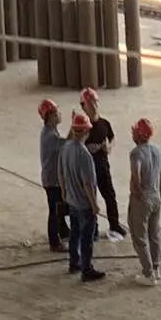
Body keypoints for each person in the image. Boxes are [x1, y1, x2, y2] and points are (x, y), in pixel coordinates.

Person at [58, 112, 105, 282]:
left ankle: (74, 263)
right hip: (84, 204)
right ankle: (87, 269)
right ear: (86, 131)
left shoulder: (65, 148)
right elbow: (87, 184)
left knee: (75, 234)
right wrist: (94, 204)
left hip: (71, 200)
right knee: (86, 238)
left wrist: (64, 192)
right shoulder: (85, 155)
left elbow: (61, 174)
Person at [79, 87, 125, 237]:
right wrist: (86, 149)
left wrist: (108, 147)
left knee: (110, 196)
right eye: (90, 104)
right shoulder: (82, 127)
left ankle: (114, 224)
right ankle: (93, 229)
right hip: (87, 171)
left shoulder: (104, 123)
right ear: (83, 106)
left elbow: (112, 138)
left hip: (103, 167)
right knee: (89, 200)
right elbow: (73, 146)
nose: (94, 106)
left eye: (95, 102)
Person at [128, 117, 161, 283]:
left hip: (142, 199)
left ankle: (148, 274)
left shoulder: (136, 153)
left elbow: (136, 175)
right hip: (156, 196)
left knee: (140, 237)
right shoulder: (158, 149)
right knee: (154, 234)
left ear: (138, 134)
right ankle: (156, 268)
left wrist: (137, 193)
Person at [37, 100, 67, 253]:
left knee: (59, 207)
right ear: (50, 116)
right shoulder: (49, 135)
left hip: (53, 178)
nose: (59, 114)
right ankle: (54, 242)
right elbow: (67, 143)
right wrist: (76, 128)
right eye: (57, 112)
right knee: (54, 211)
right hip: (52, 180)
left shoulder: (52, 131)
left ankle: (63, 231)